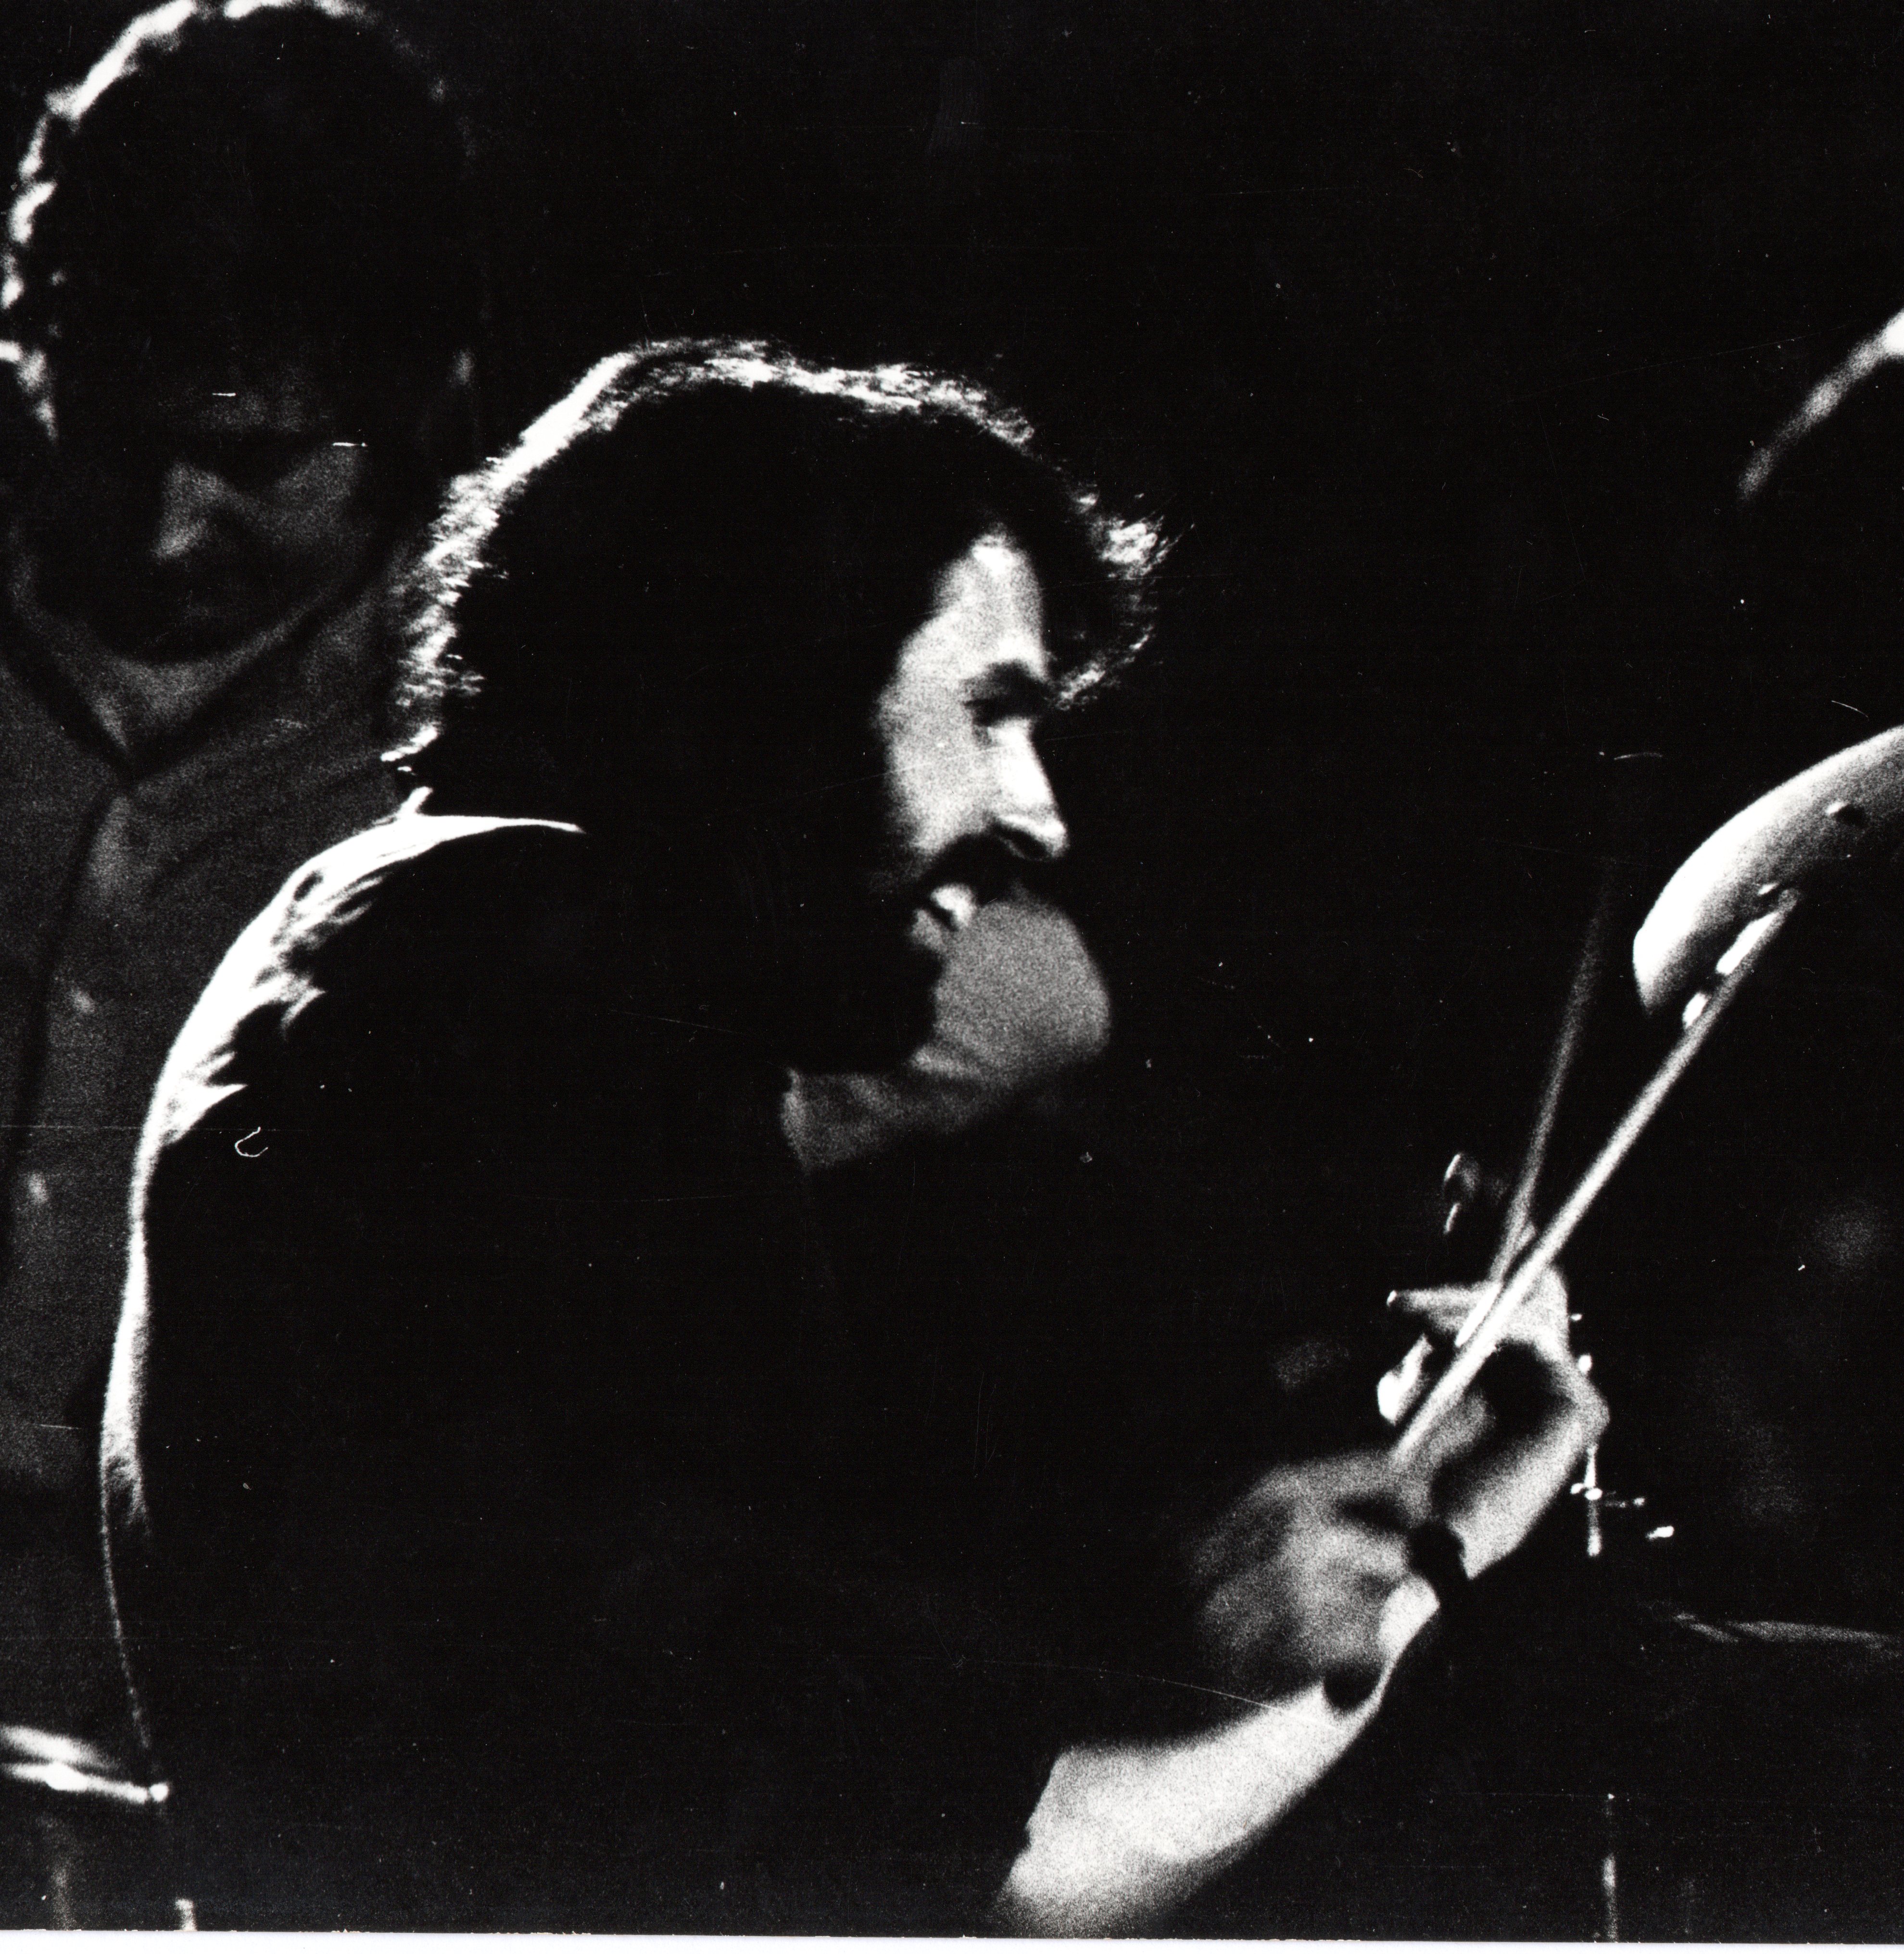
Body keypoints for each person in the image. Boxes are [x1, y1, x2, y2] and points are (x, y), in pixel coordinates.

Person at [103, 339, 1604, 1929]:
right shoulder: (519, 984)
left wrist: (1380, 1542)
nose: (1038, 815)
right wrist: (1398, 1558)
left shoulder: (452, 955)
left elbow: (797, 1764)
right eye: (990, 712)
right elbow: (1002, 1875)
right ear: (774, 691)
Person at [0, 0, 479, 1763]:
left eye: (260, 457)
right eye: (115, 434)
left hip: (216, 1688)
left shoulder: (531, 698)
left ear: (422, 404)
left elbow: (1030, 993)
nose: (164, 526)